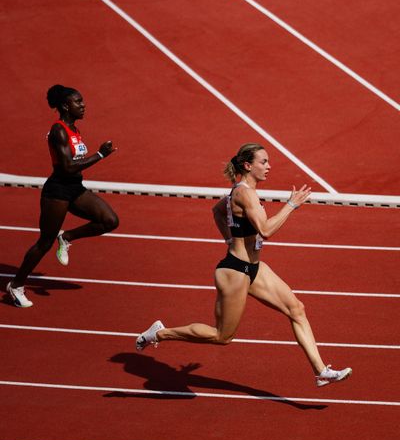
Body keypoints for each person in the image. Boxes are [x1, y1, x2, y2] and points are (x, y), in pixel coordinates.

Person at [136, 143, 352, 387]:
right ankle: (160, 333)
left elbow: (217, 211)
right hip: (235, 271)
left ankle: (321, 371)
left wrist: (229, 237)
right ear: (248, 165)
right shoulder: (244, 193)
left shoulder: (241, 192)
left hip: (255, 268)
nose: (269, 166)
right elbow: (266, 230)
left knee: (297, 309)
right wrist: (291, 205)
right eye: (264, 162)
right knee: (222, 336)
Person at [6, 84, 119, 308]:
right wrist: (100, 154)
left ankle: (66, 237)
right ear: (66, 106)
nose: (83, 105)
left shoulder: (74, 129)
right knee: (44, 242)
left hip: (74, 188)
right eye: (78, 102)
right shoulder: (59, 130)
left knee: (109, 220)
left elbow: (74, 168)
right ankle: (16, 286)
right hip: (57, 191)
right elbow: (67, 167)